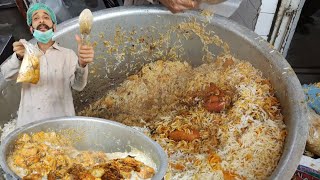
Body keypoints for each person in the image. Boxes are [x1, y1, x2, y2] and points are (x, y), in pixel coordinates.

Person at [0, 3, 95, 127]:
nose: (41, 20)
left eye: (46, 17)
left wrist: (82, 65)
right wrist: (18, 57)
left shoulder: (68, 55)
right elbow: (7, 75)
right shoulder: (25, 52)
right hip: (28, 127)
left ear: (54, 27)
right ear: (31, 29)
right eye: (36, 18)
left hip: (62, 126)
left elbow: (78, 86)